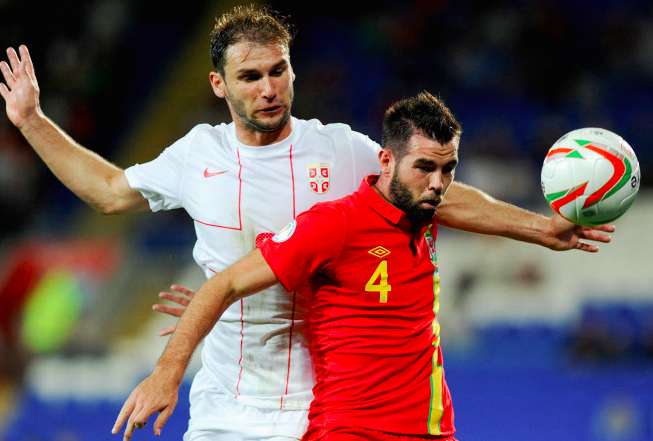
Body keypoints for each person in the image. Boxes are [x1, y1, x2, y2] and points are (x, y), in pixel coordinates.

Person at [0, 5, 612, 441]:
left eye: (279, 71)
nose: (269, 88)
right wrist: (30, 121)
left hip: (316, 403)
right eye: (250, 76)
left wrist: (539, 228)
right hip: (227, 399)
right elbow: (107, 192)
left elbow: (431, 193)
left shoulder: (339, 150)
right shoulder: (196, 155)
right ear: (218, 84)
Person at [111, 92, 613, 440]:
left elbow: (468, 204)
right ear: (386, 162)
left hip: (432, 428)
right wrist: (167, 373)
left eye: (447, 169)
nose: (438, 183)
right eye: (425, 168)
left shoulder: (425, 210)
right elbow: (224, 284)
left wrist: (544, 230)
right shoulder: (335, 224)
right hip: (350, 430)